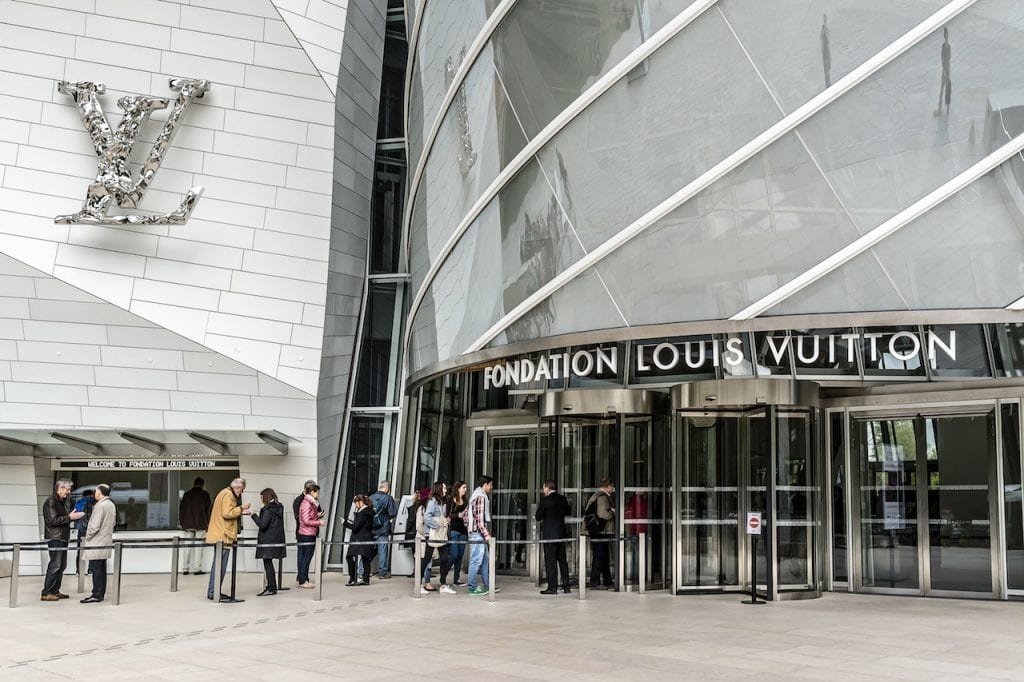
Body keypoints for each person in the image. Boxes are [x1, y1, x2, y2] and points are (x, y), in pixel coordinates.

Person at [205, 478, 251, 601]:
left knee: (218, 565)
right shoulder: (228, 494)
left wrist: (241, 512)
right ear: (238, 487)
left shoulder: (223, 492)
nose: (241, 493)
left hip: (220, 534)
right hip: (223, 535)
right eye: (242, 490)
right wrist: (241, 508)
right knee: (220, 566)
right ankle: (214, 592)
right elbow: (227, 513)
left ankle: (213, 592)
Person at [41, 479, 84, 602]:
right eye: (67, 489)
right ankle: (47, 592)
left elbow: (59, 518)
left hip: (61, 537)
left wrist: (69, 516)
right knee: (55, 565)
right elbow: (53, 521)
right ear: (60, 488)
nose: (69, 492)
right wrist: (70, 517)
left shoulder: (60, 501)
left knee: (61, 565)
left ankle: (55, 590)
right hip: (56, 537)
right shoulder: (51, 501)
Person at [80, 484, 115, 604]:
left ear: (100, 492)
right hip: (105, 540)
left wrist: (88, 536)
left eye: (96, 491)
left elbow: (94, 526)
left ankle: (96, 594)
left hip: (97, 541)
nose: (95, 493)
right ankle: (100, 593)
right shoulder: (111, 504)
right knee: (101, 568)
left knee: (96, 568)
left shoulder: (100, 506)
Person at [535, 479, 571, 595]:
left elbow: (538, 517)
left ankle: (553, 587)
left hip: (549, 535)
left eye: (544, 488)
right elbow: (567, 511)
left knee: (550, 561)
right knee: (562, 560)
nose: (543, 490)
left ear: (547, 487)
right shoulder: (562, 499)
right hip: (561, 533)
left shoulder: (545, 500)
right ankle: (566, 586)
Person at [466, 475, 499, 595]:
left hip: (476, 532)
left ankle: (487, 585)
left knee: (485, 560)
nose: (491, 487)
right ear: (484, 485)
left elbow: (467, 513)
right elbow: (479, 520)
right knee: (476, 560)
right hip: (477, 533)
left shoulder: (476, 495)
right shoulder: (480, 497)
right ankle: (472, 587)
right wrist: (486, 534)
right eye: (490, 485)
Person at [420, 481, 454, 594]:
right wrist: (438, 525)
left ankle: (443, 584)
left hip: (441, 534)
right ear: (439, 489)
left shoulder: (442, 502)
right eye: (444, 488)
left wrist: (446, 520)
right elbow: (427, 517)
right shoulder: (432, 502)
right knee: (426, 560)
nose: (445, 490)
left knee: (444, 558)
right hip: (432, 534)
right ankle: (419, 584)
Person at [251, 488, 285, 596]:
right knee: (269, 564)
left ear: (266, 497)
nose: (261, 499)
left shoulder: (268, 510)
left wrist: (253, 515)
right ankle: (272, 586)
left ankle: (271, 587)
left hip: (267, 540)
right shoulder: (279, 507)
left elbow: (262, 525)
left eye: (261, 497)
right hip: (276, 539)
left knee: (267, 564)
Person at [585, 478, 616, 590]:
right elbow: (602, 514)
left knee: (603, 556)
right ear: (607, 486)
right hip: (601, 531)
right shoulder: (602, 497)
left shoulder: (596, 496)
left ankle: (606, 580)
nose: (613, 489)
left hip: (598, 531)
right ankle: (595, 582)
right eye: (612, 486)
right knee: (599, 556)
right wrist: (612, 513)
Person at [179, 477, 212, 576]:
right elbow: (209, 511)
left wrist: (182, 522)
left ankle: (185, 568)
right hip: (201, 524)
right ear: (202, 484)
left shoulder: (187, 494)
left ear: (194, 484)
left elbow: (181, 509)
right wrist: (208, 523)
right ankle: (197, 569)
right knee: (199, 547)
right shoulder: (205, 495)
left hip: (187, 524)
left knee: (187, 546)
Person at [296, 482, 326, 589]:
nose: (318, 494)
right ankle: (303, 580)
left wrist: (317, 515)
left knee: (304, 557)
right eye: (317, 492)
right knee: (306, 558)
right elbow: (305, 520)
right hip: (307, 534)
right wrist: (319, 522)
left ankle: (303, 579)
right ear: (312, 492)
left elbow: (308, 517)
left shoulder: (309, 503)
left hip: (306, 533)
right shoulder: (307, 503)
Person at [343, 494, 374, 585]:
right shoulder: (369, 511)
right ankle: (365, 579)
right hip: (366, 537)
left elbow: (355, 527)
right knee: (365, 559)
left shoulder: (363, 513)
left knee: (349, 557)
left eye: (356, 503)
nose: (355, 506)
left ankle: (353, 577)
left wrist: (345, 523)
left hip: (359, 538)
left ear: (360, 502)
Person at [369, 481, 397, 579]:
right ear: (387, 488)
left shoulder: (370, 497)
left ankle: (362, 570)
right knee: (382, 551)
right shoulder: (388, 498)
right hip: (382, 529)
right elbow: (392, 513)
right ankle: (382, 572)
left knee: (368, 551)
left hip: (371, 529)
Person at [447, 480, 469, 586]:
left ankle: (456, 579)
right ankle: (444, 574)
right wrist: (457, 515)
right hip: (454, 530)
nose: (465, 489)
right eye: (464, 487)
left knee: (460, 556)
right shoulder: (451, 500)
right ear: (458, 488)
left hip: (463, 531)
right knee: (454, 555)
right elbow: (447, 516)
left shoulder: (465, 501)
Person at [73, 489, 95, 575]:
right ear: (91, 495)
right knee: (92, 550)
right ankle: (90, 570)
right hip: (90, 529)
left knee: (80, 550)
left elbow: (75, 516)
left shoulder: (78, 503)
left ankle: (79, 571)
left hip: (80, 529)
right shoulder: (93, 502)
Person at [937, 27, 952, 115]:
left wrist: (948, 72)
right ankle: (939, 106)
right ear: (944, 36)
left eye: (947, 36)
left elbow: (949, 58)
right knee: (942, 89)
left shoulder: (949, 46)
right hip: (944, 70)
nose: (946, 37)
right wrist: (944, 71)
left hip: (948, 69)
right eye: (945, 36)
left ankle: (948, 107)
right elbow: (942, 59)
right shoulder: (943, 46)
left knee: (948, 89)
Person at [820, 13, 831, 88]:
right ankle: (828, 85)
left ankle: (828, 84)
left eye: (825, 18)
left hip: (826, 53)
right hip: (825, 53)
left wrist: (825, 31)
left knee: (827, 70)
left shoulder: (826, 29)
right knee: (826, 69)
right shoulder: (823, 29)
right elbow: (821, 38)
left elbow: (827, 39)